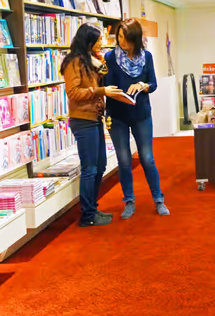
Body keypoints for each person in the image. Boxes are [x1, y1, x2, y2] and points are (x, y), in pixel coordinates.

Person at [63, 24, 128, 227]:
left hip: (94, 117)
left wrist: (96, 60)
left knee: (100, 165)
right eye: (98, 40)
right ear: (89, 41)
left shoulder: (88, 60)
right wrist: (100, 91)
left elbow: (104, 72)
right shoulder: (73, 62)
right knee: (90, 168)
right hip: (83, 120)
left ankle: (92, 208)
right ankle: (87, 215)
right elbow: (73, 92)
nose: (102, 43)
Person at [105, 19, 169, 219]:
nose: (121, 42)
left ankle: (158, 199)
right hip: (117, 114)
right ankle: (129, 201)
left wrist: (142, 85)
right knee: (124, 160)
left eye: (126, 38)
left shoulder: (146, 57)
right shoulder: (110, 57)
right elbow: (106, 86)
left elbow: (153, 83)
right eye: (119, 37)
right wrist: (114, 93)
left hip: (141, 113)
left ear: (135, 39)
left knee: (147, 158)